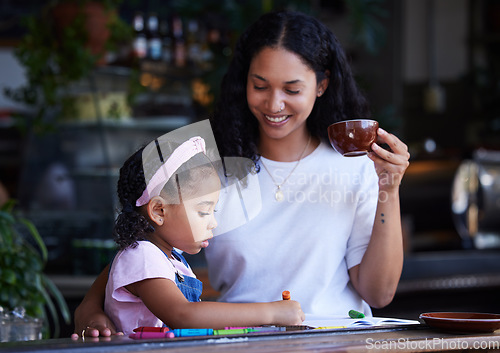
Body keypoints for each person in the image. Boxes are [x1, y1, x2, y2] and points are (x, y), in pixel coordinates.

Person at [73, 10, 409, 337]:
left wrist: (388, 189)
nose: (274, 104)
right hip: (237, 341)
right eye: (260, 86)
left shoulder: (353, 165)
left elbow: (378, 294)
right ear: (243, 80)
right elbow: (143, 246)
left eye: (292, 90)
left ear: (321, 85)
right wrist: (89, 308)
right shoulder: (204, 161)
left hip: (334, 341)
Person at [83, 134, 304, 337]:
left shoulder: (168, 258)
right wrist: (271, 313)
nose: (213, 223)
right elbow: (182, 315)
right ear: (159, 211)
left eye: (213, 211)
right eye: (203, 211)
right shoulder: (142, 256)